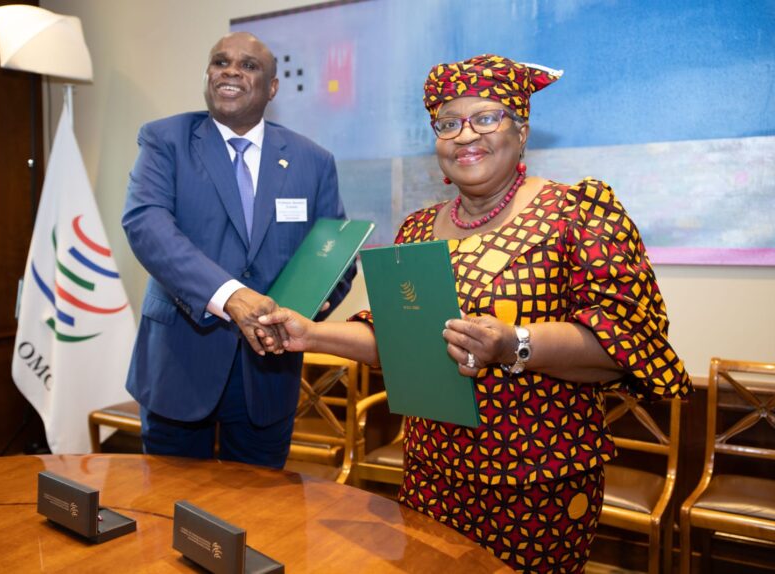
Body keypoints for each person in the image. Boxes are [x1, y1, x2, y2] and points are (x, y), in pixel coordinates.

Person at [257, 54, 692, 571]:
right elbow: (396, 341)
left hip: (538, 481)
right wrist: (309, 334)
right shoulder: (417, 229)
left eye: (486, 117)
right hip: (431, 472)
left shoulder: (577, 213)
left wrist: (513, 345)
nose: (466, 136)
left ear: (522, 129)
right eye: (448, 123)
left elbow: (627, 345)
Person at [121, 32, 355, 468]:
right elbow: (147, 225)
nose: (230, 71)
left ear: (271, 88)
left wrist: (296, 318)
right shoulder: (165, 140)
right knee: (167, 512)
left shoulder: (313, 160)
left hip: (268, 371)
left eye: (248, 66)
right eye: (220, 62)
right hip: (180, 363)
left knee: (261, 517)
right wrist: (231, 296)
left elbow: (336, 257)